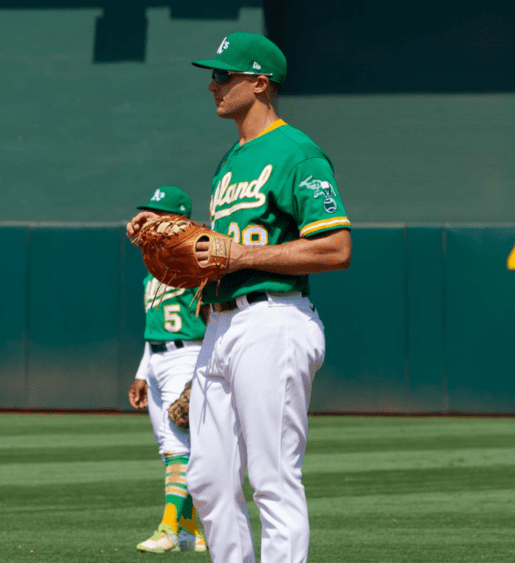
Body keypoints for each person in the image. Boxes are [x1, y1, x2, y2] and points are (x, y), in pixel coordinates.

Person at [127, 32, 352, 563]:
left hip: (274, 319)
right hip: (221, 328)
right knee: (205, 477)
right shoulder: (228, 162)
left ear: (259, 82)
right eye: (213, 75)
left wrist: (241, 258)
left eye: (223, 75)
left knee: (272, 478)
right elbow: (221, 249)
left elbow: (336, 247)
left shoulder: (298, 152)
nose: (212, 85)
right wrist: (168, 231)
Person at [128, 186, 208, 554]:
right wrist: (142, 372)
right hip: (157, 357)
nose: (153, 220)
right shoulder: (152, 270)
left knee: (179, 445)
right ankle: (191, 530)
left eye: (160, 214)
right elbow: (154, 329)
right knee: (171, 448)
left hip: (186, 355)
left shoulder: (192, 262)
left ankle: (168, 530)